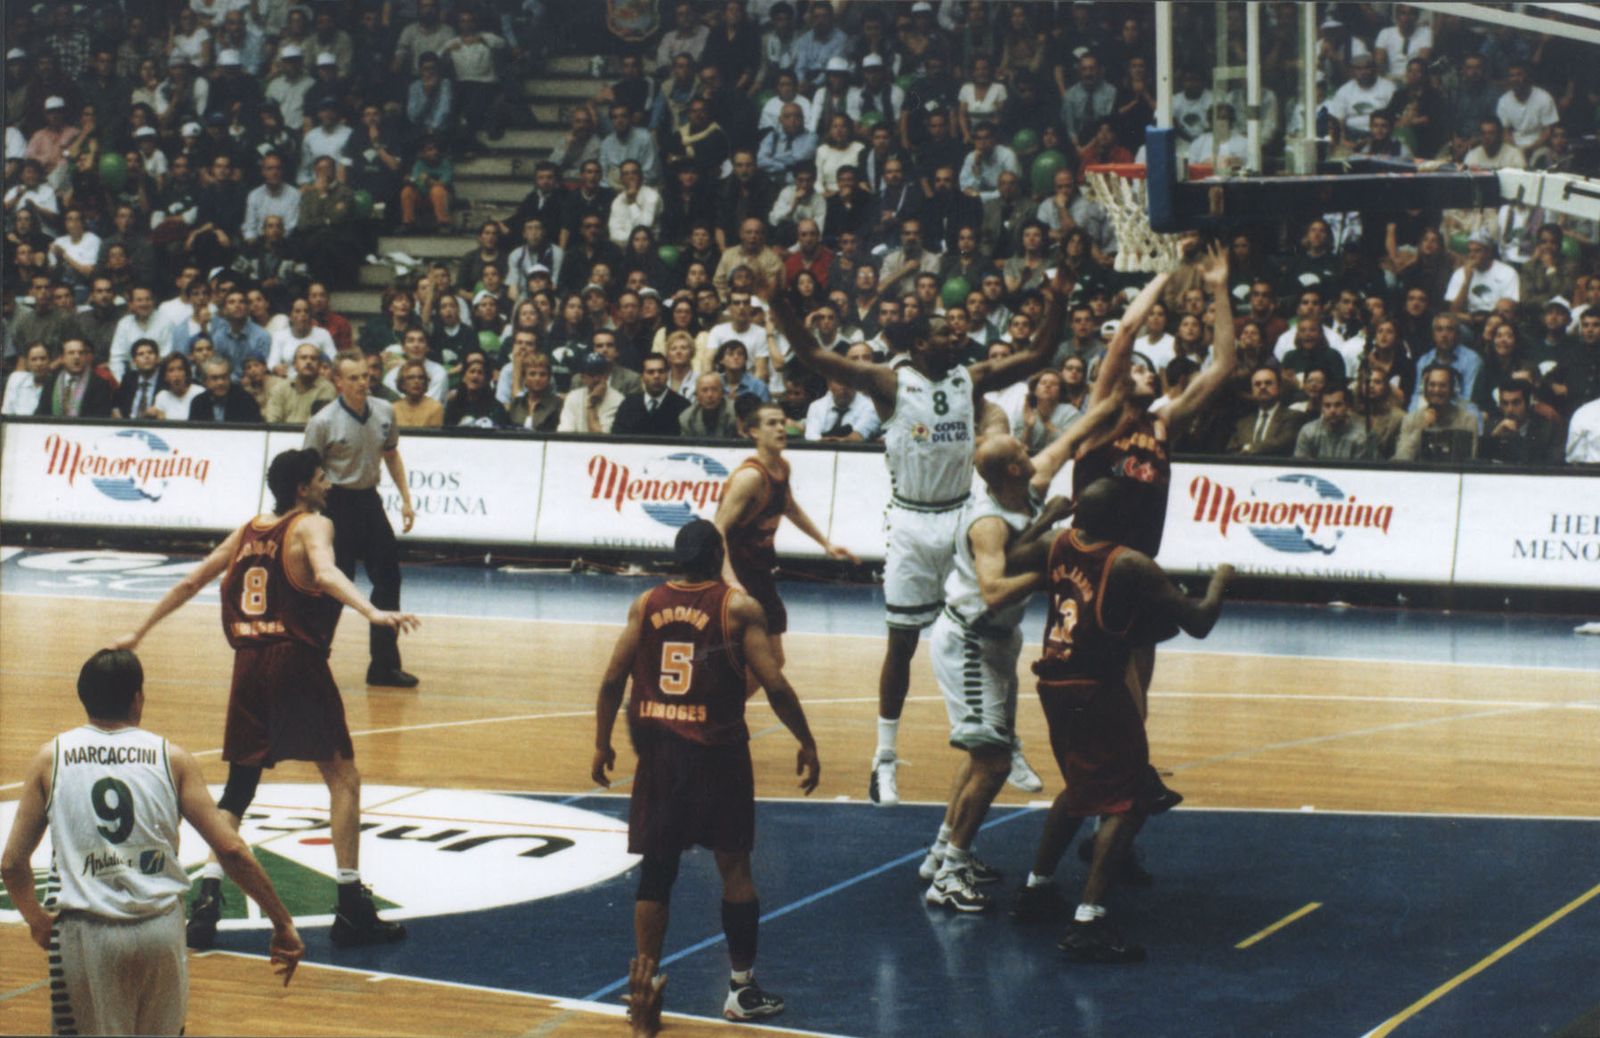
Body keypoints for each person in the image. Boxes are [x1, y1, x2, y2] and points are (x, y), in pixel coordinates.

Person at [108, 448, 419, 951]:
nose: (327, 486)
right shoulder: (313, 524)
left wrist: (138, 632)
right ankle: (351, 906)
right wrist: (374, 612)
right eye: (321, 478)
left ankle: (207, 896)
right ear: (302, 488)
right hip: (296, 660)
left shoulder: (249, 530)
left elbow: (193, 579)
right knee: (343, 778)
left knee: (239, 787)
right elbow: (325, 574)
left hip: (248, 665)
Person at [771, 276, 1060, 807]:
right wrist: (778, 301)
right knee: (900, 645)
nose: (959, 336)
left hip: (961, 516)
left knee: (994, 631)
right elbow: (812, 354)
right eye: (947, 334)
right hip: (910, 522)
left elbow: (1041, 350)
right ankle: (883, 757)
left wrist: (1057, 296)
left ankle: (1007, 737)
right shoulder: (887, 381)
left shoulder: (968, 378)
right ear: (921, 345)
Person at [0, 649, 305, 1037]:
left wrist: (36, 919)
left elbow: (12, 863)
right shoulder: (171, 758)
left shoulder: (51, 757)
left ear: (83, 696)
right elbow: (230, 849)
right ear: (137, 698)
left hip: (86, 933)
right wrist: (281, 920)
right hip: (160, 930)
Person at [592, 519, 820, 1034]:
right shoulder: (737, 607)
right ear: (718, 555)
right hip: (718, 757)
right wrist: (805, 740)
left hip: (661, 759)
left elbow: (611, 680)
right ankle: (741, 989)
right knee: (735, 870)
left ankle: (644, 988)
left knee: (657, 871)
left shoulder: (645, 604)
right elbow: (776, 686)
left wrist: (602, 741)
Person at [1005, 479, 1232, 962]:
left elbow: (1013, 554)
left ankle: (1037, 890)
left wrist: (1048, 516)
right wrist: (1221, 581)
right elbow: (1199, 622)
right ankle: (1088, 922)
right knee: (1128, 800)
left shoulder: (1057, 544)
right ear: (1122, 521)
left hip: (1053, 685)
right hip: (1096, 690)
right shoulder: (1129, 563)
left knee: (1077, 787)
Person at [919, 387, 1126, 913]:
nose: (1033, 455)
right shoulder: (988, 523)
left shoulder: (1029, 485)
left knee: (982, 751)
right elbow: (992, 590)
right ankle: (948, 875)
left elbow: (1076, 433)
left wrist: (1119, 397)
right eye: (1022, 453)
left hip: (997, 640)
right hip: (970, 638)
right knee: (991, 760)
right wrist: (1051, 570)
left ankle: (944, 852)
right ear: (1011, 470)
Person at [1064, 244, 1236, 875]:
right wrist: (1164, 272)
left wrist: (1217, 286)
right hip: (1091, 576)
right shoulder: (1099, 419)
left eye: (1145, 370)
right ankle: (1107, 807)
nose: (1141, 371)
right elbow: (1129, 330)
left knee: (1134, 711)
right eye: (1132, 368)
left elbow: (1222, 365)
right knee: (1110, 710)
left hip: (1138, 576)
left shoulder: (1162, 423)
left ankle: (1114, 829)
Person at [715, 399, 855, 678]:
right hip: (736, 575)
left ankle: (718, 713)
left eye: (782, 422)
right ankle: (704, 710)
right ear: (754, 432)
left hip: (759, 573)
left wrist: (825, 543)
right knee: (735, 658)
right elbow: (717, 529)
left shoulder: (781, 467)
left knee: (773, 660)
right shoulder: (750, 477)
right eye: (771, 423)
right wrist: (729, 578)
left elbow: (789, 506)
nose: (781, 428)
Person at [303, 354, 419, 687]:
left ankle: (383, 666)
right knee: (333, 586)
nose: (362, 383)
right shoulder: (322, 421)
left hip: (370, 501)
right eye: (353, 378)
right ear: (338, 382)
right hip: (335, 504)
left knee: (389, 580)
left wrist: (407, 501)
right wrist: (308, 516)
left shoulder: (385, 410)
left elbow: (392, 455)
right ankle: (313, 662)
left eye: (365, 376)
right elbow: (308, 472)